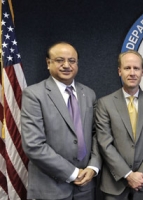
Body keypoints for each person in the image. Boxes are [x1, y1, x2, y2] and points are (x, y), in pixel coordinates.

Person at [21, 42, 102, 200]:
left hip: (86, 187)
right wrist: (72, 173)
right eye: (60, 60)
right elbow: (33, 145)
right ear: (48, 63)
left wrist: (93, 166)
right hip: (50, 188)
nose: (67, 65)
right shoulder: (33, 94)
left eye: (72, 61)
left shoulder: (89, 94)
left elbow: (97, 135)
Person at [95, 50, 143, 200]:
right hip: (115, 183)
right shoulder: (104, 103)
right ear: (119, 71)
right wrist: (128, 174)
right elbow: (105, 143)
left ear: (142, 72)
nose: (132, 73)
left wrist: (141, 174)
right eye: (127, 68)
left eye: (136, 68)